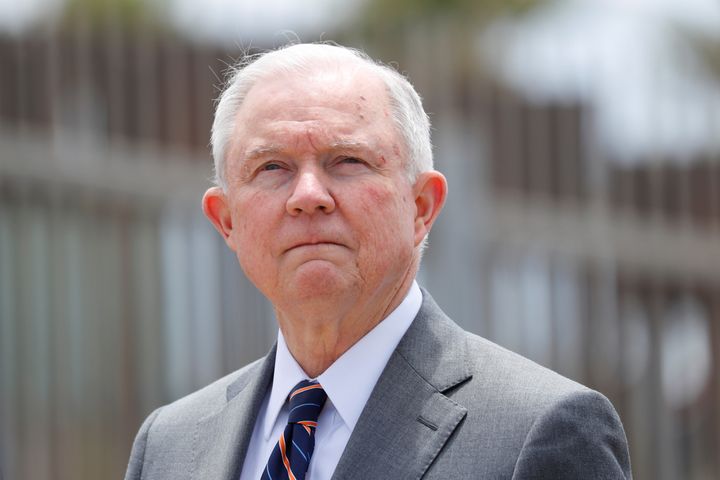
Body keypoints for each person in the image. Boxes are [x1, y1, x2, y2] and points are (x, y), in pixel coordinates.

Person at [124, 43, 632, 480]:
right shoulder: (169, 446)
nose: (308, 195)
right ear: (226, 220)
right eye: (272, 166)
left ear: (421, 207)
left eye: (347, 161)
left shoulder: (540, 430)